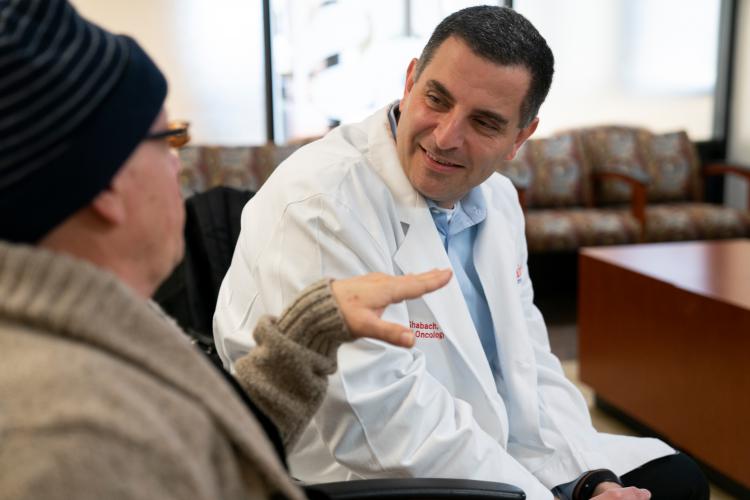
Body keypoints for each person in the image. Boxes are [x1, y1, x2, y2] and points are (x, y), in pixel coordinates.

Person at [214, 5, 710, 500]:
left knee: (676, 480)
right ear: (410, 82)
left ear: (519, 139)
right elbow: (381, 420)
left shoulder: (496, 200)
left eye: (485, 123)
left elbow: (529, 363)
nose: (446, 137)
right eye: (437, 98)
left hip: (477, 443)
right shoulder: (323, 204)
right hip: (359, 473)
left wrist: (589, 480)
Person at [0, 1, 453, 499]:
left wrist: (300, 345)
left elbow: (191, 450)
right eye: (169, 139)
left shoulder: (94, 332)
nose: (181, 168)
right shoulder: (66, 441)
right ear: (105, 184)